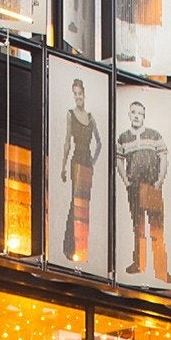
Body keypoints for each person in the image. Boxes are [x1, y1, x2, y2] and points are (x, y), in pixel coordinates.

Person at [116, 98, 171, 283]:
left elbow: (163, 156)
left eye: (140, 113)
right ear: (129, 115)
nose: (137, 116)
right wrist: (126, 180)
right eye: (134, 113)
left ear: (144, 116)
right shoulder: (123, 137)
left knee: (157, 228)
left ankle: (161, 270)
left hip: (152, 185)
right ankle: (139, 264)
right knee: (138, 226)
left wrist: (160, 180)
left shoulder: (154, 135)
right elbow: (118, 159)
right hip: (135, 186)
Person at [59, 75, 101, 262]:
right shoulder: (71, 114)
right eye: (75, 94)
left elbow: (100, 143)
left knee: (85, 203)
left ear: (84, 94)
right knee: (75, 201)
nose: (77, 97)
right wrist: (62, 166)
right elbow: (68, 141)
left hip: (86, 162)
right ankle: (70, 245)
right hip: (77, 160)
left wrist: (93, 160)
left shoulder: (91, 118)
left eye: (80, 94)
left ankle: (81, 247)